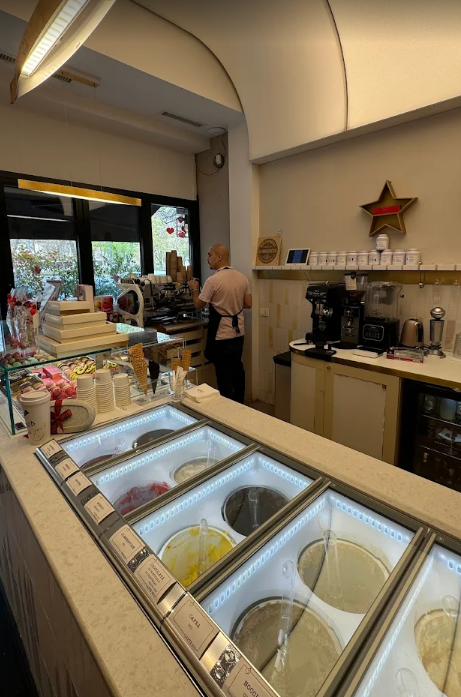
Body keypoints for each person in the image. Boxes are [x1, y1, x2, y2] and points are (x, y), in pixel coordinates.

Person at [188, 244, 252, 403]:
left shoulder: (213, 281)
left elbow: (198, 304)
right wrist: (232, 305)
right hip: (239, 332)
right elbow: (248, 303)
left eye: (209, 255)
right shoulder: (242, 277)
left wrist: (194, 289)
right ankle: (240, 402)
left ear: (219, 257)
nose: (207, 259)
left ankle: (227, 405)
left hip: (221, 334)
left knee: (223, 371)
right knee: (237, 367)